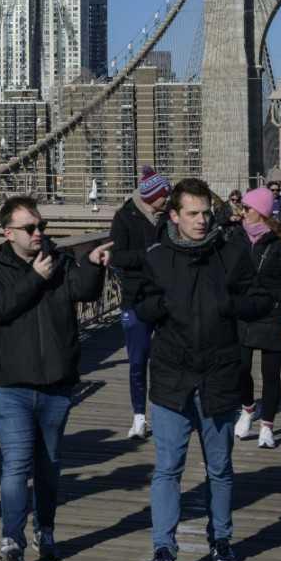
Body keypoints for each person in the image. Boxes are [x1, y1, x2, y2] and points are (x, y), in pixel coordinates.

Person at [111, 178, 268, 561]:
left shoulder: (231, 254)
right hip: (171, 378)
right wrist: (161, 306)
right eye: (193, 214)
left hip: (217, 376)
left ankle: (222, 541)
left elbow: (260, 299)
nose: (201, 221)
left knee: (220, 468)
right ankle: (163, 550)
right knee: (168, 468)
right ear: (175, 216)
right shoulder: (157, 257)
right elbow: (139, 301)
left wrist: (228, 304)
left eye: (206, 213)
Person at [0, 195, 112, 561]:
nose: (39, 233)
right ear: (9, 233)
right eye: (30, 228)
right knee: (16, 465)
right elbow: (0, 308)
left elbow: (83, 291)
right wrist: (34, 279)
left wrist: (93, 265)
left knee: (49, 466)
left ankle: (46, 531)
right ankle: (11, 543)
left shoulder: (60, 259)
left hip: (56, 383)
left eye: (41, 227)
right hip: (11, 386)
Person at [233, 188, 281, 449]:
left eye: (248, 209)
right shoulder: (235, 236)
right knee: (240, 369)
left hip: (274, 314)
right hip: (242, 313)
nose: (243, 212)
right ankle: (248, 409)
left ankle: (267, 427)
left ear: (260, 212)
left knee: (270, 374)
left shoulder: (280, 242)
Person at [110, 168, 170, 439]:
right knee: (137, 361)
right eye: (163, 195)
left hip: (167, 297)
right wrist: (147, 255)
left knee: (168, 359)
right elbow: (118, 257)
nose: (167, 199)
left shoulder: (170, 218)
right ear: (150, 197)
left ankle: (165, 413)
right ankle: (138, 417)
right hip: (136, 299)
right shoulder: (124, 217)